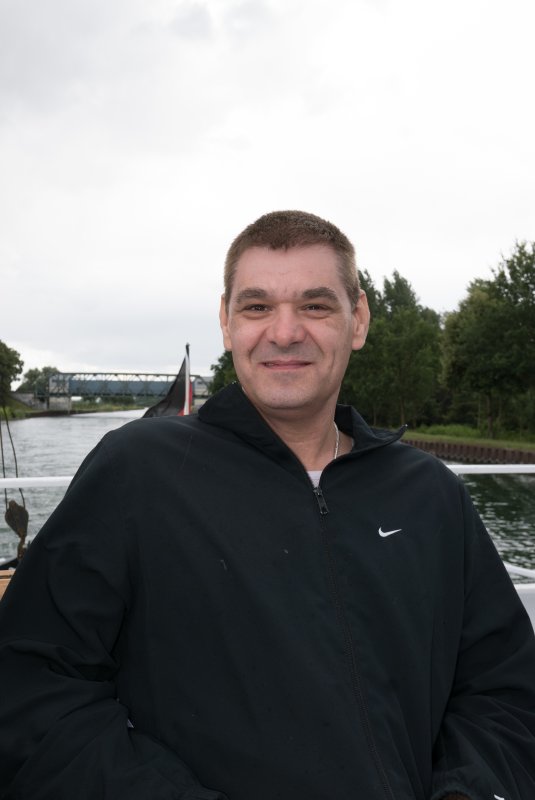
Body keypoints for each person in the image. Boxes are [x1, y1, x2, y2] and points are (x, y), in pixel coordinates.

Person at [0, 210, 534, 800]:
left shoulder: (431, 493)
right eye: (257, 307)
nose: (284, 332)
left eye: (315, 305)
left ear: (358, 319)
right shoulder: (137, 472)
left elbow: (503, 689)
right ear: (226, 323)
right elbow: (33, 689)